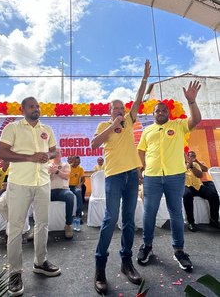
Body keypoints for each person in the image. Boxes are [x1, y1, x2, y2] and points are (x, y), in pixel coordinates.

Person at [92, 60, 151, 295]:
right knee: (110, 218)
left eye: (121, 108)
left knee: (128, 220)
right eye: (116, 109)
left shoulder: (129, 122)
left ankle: (127, 263)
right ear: (110, 112)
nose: (120, 111)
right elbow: (95, 143)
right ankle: (100, 268)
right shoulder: (103, 125)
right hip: (114, 177)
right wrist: (113, 124)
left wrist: (144, 78)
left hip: (131, 174)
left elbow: (138, 99)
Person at [0, 96, 61, 297]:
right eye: (32, 106)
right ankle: (15, 272)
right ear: (22, 109)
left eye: (38, 106)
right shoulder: (13, 127)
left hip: (43, 182)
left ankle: (40, 262)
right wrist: (30, 157)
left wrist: (47, 156)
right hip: (19, 183)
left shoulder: (46, 129)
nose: (36, 109)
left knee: (42, 224)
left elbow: (54, 151)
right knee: (15, 228)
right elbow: (2, 153)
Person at [137, 81, 202, 272]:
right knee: (149, 212)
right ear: (153, 114)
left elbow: (196, 120)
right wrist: (142, 168)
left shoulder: (179, 125)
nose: (161, 113)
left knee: (176, 212)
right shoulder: (147, 131)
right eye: (157, 111)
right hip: (152, 178)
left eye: (164, 110)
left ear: (169, 113)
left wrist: (192, 102)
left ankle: (179, 250)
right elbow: (141, 150)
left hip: (175, 176)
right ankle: (147, 246)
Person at [183, 152, 220, 232]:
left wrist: (192, 166)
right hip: (186, 186)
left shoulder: (195, 164)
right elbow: (179, 175)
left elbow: (200, 175)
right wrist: (187, 166)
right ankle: (191, 222)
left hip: (198, 186)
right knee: (187, 195)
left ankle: (214, 220)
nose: (188, 158)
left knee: (213, 195)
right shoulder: (178, 166)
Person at [49, 149, 75, 239]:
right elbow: (44, 179)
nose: (57, 154)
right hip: (49, 191)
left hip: (62, 191)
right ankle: (37, 227)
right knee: (37, 196)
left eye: (58, 153)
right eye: (55, 153)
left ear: (61, 154)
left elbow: (66, 176)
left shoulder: (65, 164)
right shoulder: (47, 165)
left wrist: (56, 171)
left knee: (70, 196)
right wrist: (49, 172)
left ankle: (68, 225)